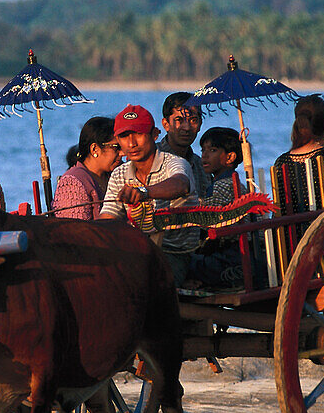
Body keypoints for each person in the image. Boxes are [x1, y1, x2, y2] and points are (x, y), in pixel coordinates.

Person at [99, 104, 198, 284]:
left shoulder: (175, 163)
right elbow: (108, 219)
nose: (132, 143)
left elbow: (181, 184)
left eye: (139, 134)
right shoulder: (119, 174)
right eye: (124, 136)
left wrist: (144, 192)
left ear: (154, 134)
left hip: (176, 254)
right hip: (136, 253)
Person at [187, 127, 245, 289]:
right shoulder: (236, 184)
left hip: (229, 257)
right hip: (239, 255)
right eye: (203, 150)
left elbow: (209, 223)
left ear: (230, 157)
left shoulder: (221, 186)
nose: (204, 155)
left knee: (184, 262)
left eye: (212, 150)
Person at [51, 116, 121, 220]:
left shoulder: (116, 174)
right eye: (116, 148)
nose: (122, 153)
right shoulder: (73, 183)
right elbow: (75, 231)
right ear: (95, 149)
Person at [157, 92, 210, 199]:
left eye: (193, 120)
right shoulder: (152, 158)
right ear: (166, 124)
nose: (186, 127)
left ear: (200, 124)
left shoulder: (200, 166)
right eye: (179, 120)